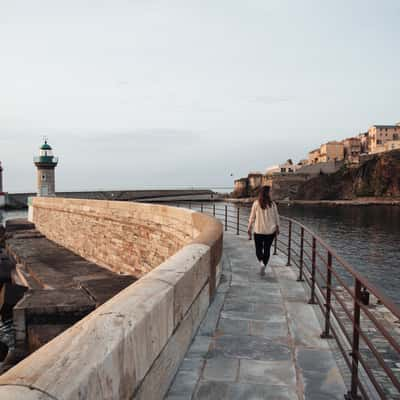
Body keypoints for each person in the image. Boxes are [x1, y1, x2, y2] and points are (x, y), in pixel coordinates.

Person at [247, 186, 280, 276]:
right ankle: (264, 267)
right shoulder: (272, 204)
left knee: (258, 249)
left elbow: (252, 217)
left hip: (258, 231)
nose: (272, 193)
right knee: (267, 250)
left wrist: (249, 228)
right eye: (270, 191)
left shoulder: (256, 203)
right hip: (270, 232)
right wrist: (278, 228)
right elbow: (277, 217)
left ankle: (261, 262)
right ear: (267, 193)